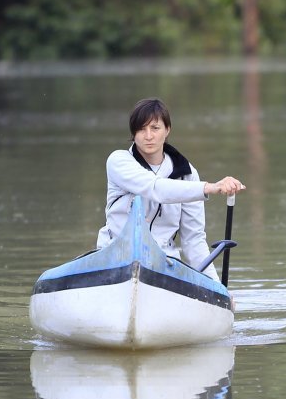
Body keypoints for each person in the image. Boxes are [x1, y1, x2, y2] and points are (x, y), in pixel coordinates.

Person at [96, 98, 244, 281]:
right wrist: (210, 188)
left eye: (155, 128)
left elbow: (193, 242)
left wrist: (216, 288)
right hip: (113, 257)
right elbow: (155, 188)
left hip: (164, 266)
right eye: (141, 129)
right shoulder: (119, 161)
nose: (148, 135)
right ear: (133, 134)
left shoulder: (188, 174)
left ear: (167, 130)